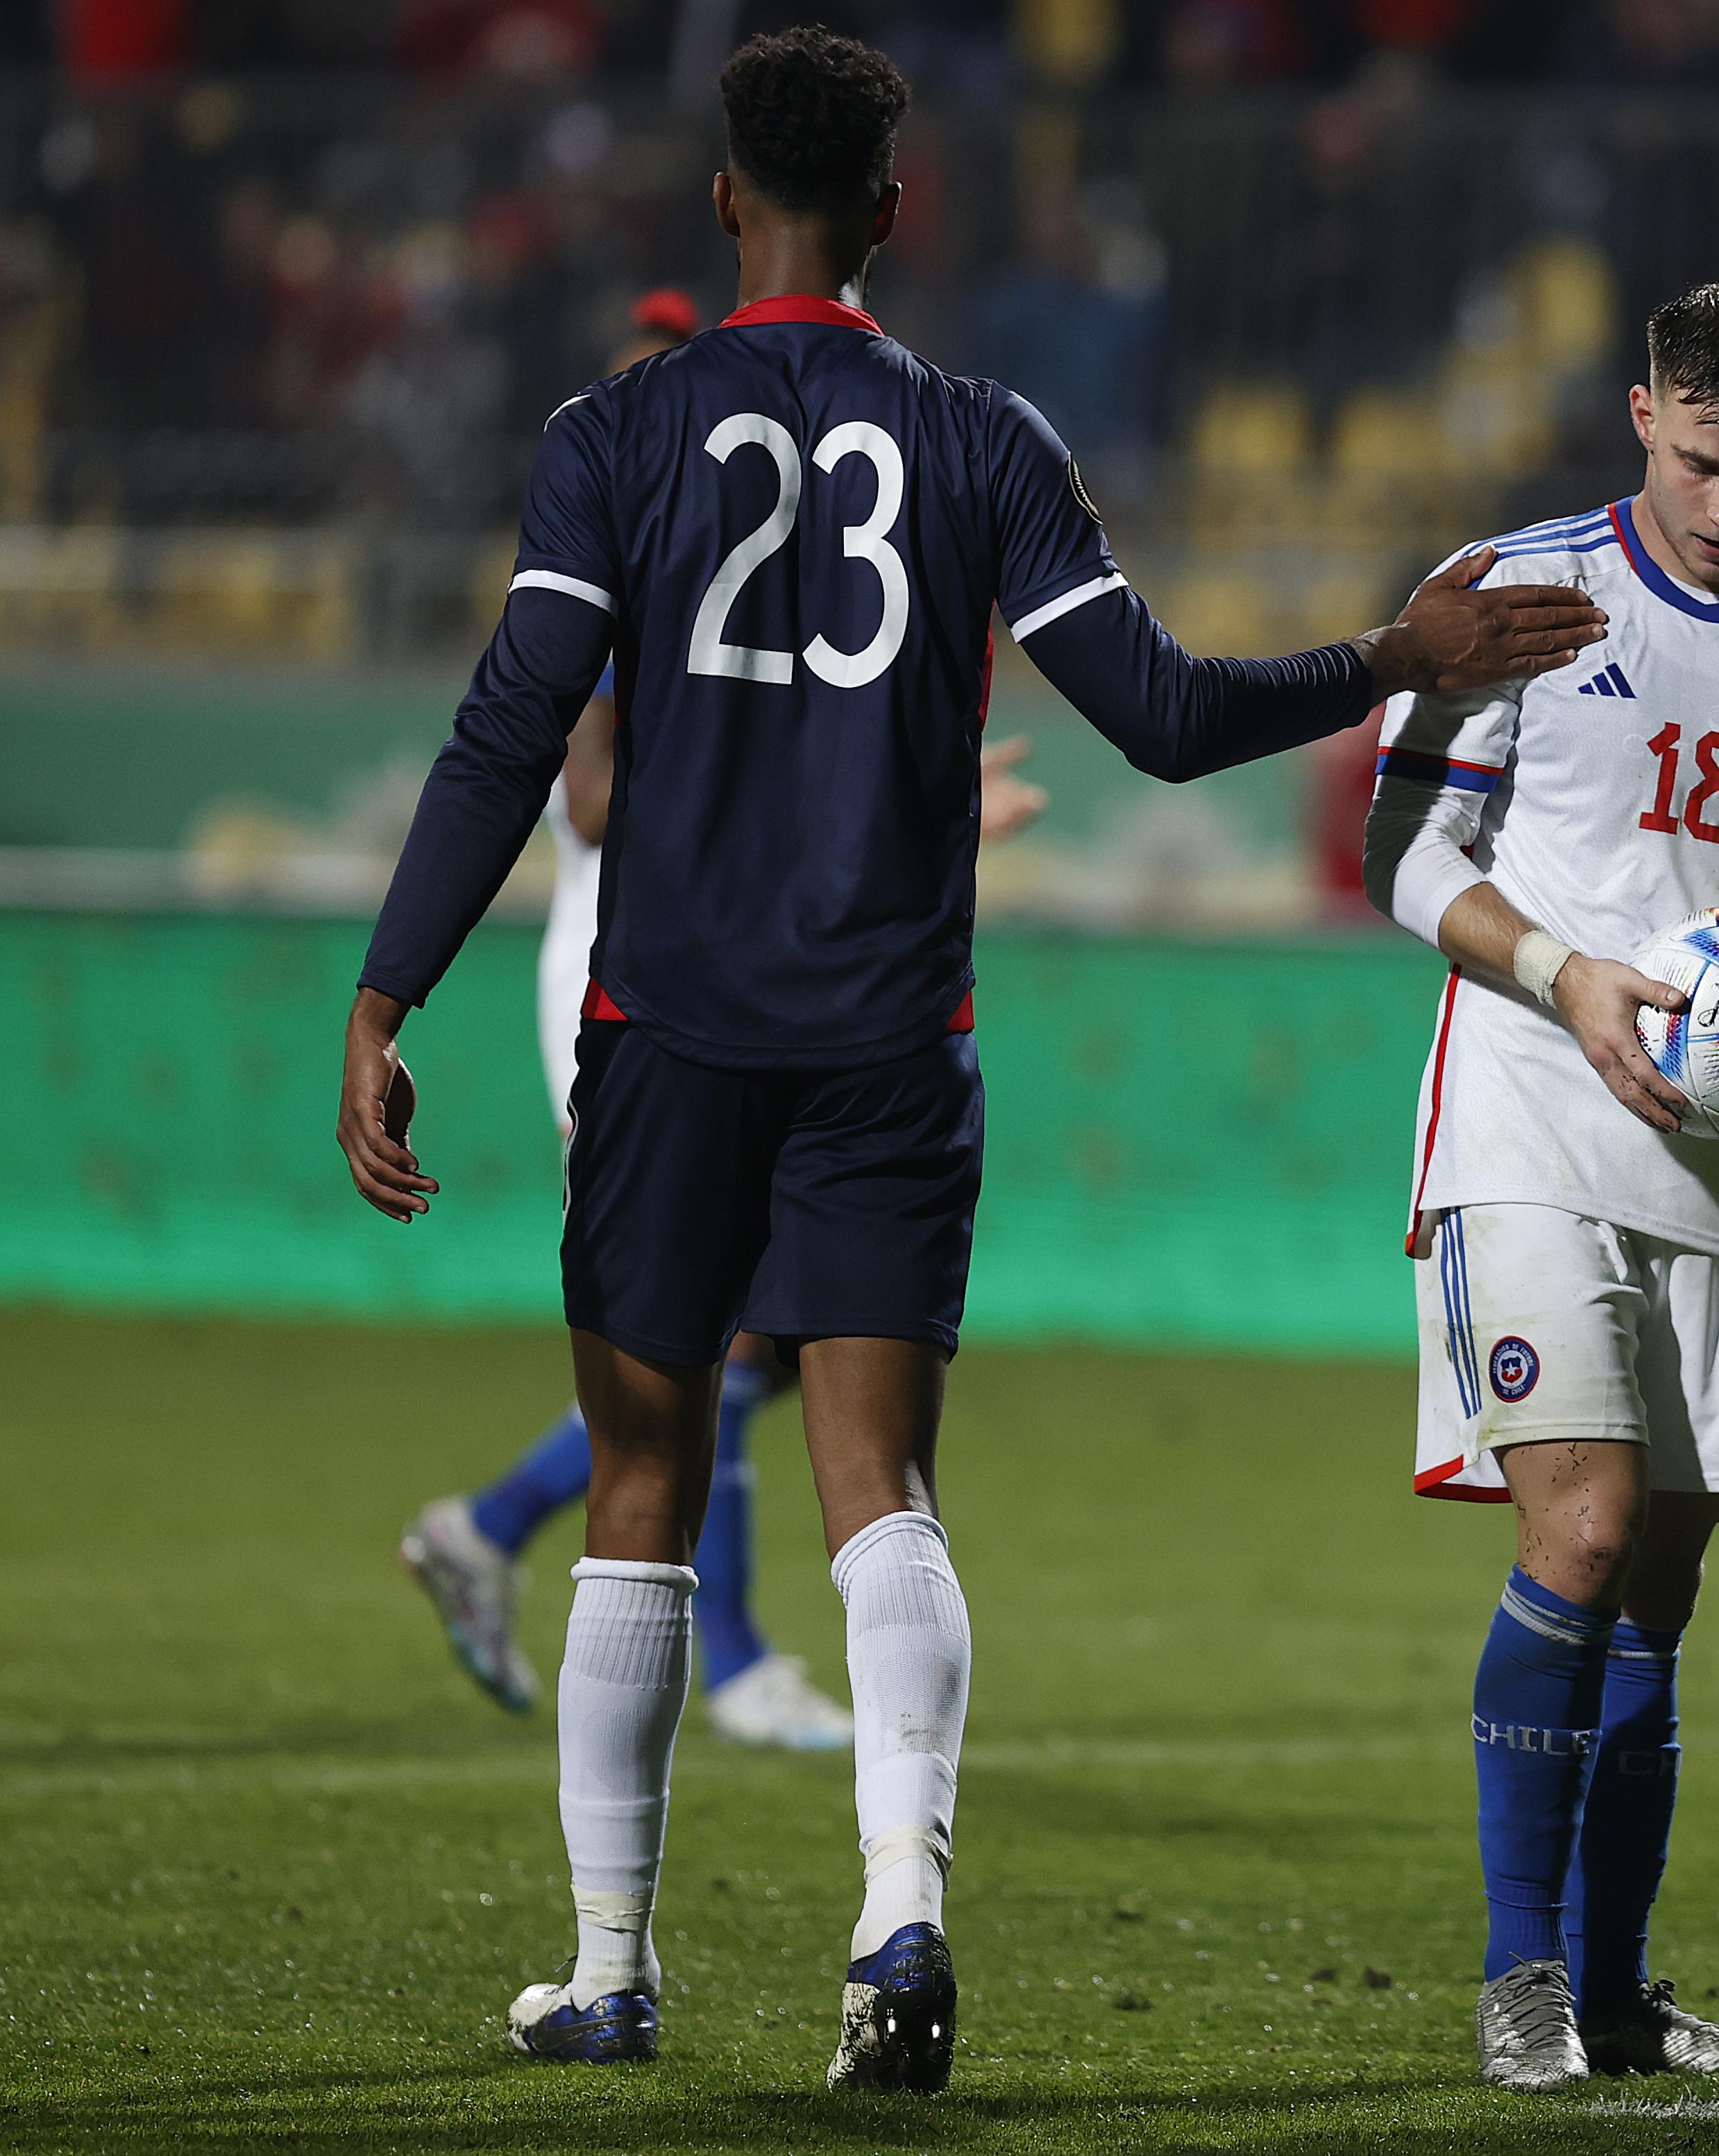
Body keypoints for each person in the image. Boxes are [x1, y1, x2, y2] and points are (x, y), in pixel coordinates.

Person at [334, 26, 1603, 2090]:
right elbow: (1172, 714)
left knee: (642, 1486)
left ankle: (610, 1966)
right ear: (896, 213)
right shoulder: (984, 440)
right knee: (880, 1486)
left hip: (666, 1032)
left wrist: (394, 994)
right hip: (891, 1045)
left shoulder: (616, 429)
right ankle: (901, 1913)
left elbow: (507, 730)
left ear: (723, 201)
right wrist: (1390, 657)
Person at [1364, 280, 1719, 2091]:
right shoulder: (1518, 597)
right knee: (1585, 1533)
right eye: (1695, 463)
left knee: (1661, 1592)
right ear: (1638, 418)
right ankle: (1518, 1979)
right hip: (1528, 1112)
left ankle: (1616, 2001)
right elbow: (1398, 852)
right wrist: (1565, 975)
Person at [394, 292, 1058, 1754]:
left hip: (707, 966)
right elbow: (579, 796)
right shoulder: (634, 564)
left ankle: (558, 1559)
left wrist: (915, 809)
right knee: (722, 1332)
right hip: (633, 975)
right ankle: (704, 1636)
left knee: (742, 1333)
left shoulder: (744, 572)